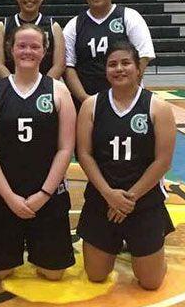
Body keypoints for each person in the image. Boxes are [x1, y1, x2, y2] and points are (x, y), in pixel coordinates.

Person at [0, 23, 77, 281]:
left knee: (54, 274)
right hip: (3, 194)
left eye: (35, 46)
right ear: (11, 50)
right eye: (22, 46)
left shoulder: (58, 91)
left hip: (46, 193)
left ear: (44, 51)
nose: (28, 51)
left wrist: (44, 194)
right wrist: (9, 197)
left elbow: (66, 148)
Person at [75, 40, 176, 290]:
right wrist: (109, 195)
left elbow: (163, 161)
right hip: (102, 198)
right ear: (105, 70)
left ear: (138, 68)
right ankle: (120, 245)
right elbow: (84, 154)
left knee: (151, 283)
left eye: (125, 63)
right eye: (112, 64)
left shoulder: (158, 107)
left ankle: (153, 255)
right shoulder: (91, 105)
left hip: (143, 201)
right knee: (96, 275)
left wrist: (128, 199)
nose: (119, 69)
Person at [63, 0, 156, 106]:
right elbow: (68, 67)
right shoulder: (73, 25)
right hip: (86, 102)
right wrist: (85, 99)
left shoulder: (130, 17)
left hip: (128, 100)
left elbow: (143, 57)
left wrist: (125, 94)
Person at [0, 0, 65, 79]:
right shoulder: (3, 27)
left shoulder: (53, 27)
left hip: (45, 90)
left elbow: (59, 65)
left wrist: (42, 88)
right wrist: (13, 88)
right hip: (11, 91)